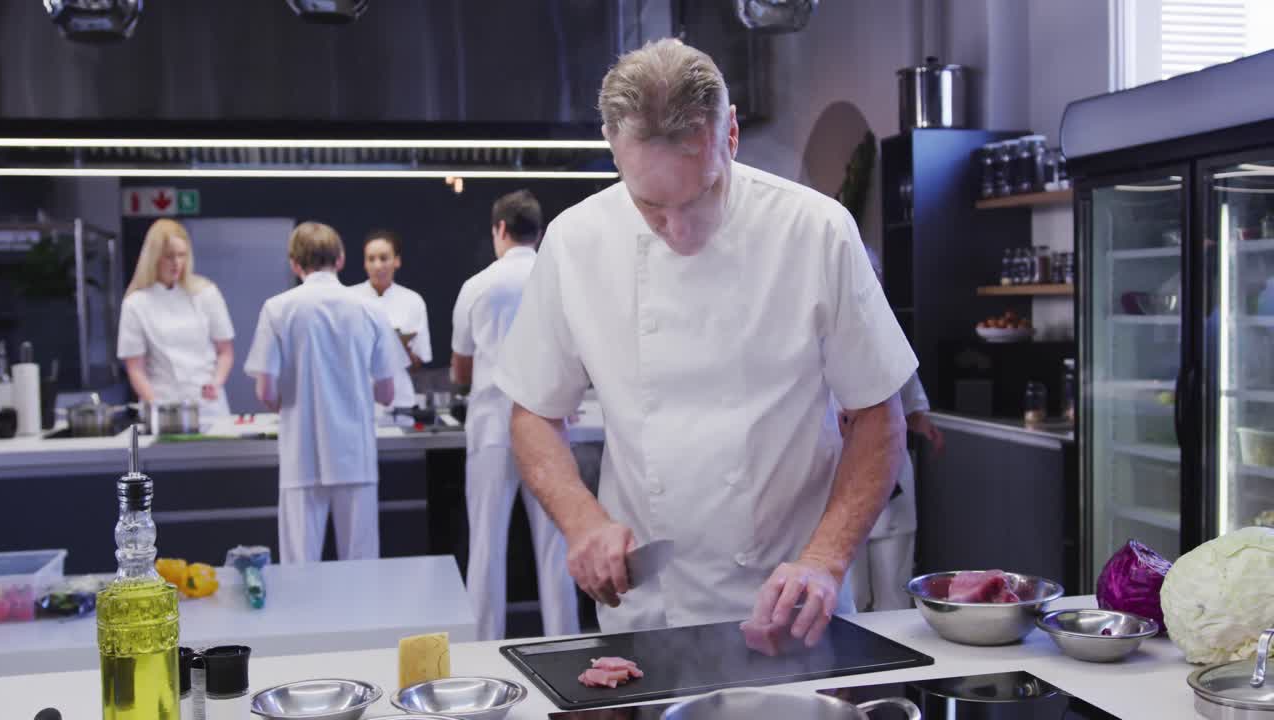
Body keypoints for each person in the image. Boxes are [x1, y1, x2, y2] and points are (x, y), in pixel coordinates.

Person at [495, 39, 916, 645]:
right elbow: (533, 411)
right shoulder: (574, 241)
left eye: (700, 195)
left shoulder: (816, 230)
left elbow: (880, 414)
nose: (679, 230)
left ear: (732, 136)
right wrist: (582, 520)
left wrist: (826, 560)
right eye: (650, 206)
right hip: (646, 613)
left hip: (791, 606)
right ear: (615, 153)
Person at [451, 190, 580, 640]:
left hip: (491, 427)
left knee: (486, 543)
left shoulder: (478, 286)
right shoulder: (561, 281)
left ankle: (484, 648)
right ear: (539, 232)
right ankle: (563, 640)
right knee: (555, 543)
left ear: (500, 229)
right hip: (549, 426)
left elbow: (460, 368)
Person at [244, 221, 407, 565]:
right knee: (361, 569)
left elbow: (266, 392)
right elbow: (388, 393)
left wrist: (290, 399)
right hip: (355, 454)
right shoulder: (370, 309)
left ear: (294, 263)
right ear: (342, 259)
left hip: (301, 455)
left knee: (300, 570)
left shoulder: (277, 309)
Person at [844, 248, 945, 613]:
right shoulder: (816, 334)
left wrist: (924, 424)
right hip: (839, 492)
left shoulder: (888, 334)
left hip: (892, 487)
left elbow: (912, 400)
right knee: (850, 600)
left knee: (893, 598)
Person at [118, 218, 235, 420]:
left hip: (208, 407)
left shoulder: (206, 293)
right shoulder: (135, 304)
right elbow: (135, 368)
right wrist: (157, 407)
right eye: (169, 256)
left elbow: (225, 351)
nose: (177, 263)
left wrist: (216, 382)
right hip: (162, 406)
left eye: (182, 255)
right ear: (153, 257)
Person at [351, 229, 433, 410]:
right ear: (364, 263)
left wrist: (402, 348)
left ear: (396, 261)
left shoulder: (413, 300)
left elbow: (418, 363)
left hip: (400, 397)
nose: (378, 265)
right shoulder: (349, 299)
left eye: (384, 258)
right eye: (371, 259)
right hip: (358, 397)